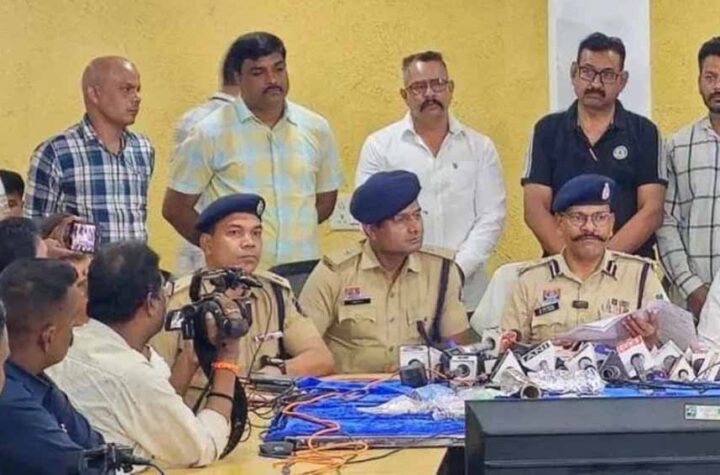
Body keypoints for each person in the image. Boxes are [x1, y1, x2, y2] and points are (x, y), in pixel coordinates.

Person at [48, 241, 244, 468]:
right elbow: (202, 448)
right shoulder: (130, 373)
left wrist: (190, 358)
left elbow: (157, 413)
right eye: (163, 292)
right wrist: (227, 361)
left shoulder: (70, 344)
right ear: (151, 303)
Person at [163, 32, 342, 270]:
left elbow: (325, 201)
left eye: (279, 69)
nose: (272, 79)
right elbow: (176, 209)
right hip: (238, 278)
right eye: (258, 72)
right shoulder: (209, 132)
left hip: (303, 273)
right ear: (238, 78)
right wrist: (218, 250)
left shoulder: (316, 128)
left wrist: (292, 231)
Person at [355, 51, 506, 311]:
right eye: (418, 87)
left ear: (451, 89)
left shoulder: (480, 148)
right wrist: (407, 270)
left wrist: (456, 272)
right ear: (404, 95)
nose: (429, 94)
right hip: (399, 292)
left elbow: (491, 217)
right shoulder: (380, 146)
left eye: (438, 84)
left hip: (467, 293)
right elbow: (368, 218)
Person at [153, 193, 334, 404]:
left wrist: (277, 371)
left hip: (264, 413)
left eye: (256, 233)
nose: (249, 243)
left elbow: (321, 359)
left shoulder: (275, 293)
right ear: (207, 244)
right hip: (200, 415)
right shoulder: (178, 300)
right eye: (234, 233)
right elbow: (157, 390)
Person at [299, 171, 475, 374]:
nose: (415, 228)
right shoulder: (335, 273)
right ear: (371, 230)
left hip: (417, 388)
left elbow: (457, 350)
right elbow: (303, 351)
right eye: (401, 219)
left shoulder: (441, 271)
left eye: (417, 216)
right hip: (348, 389)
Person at [522, 32, 666, 260]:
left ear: (622, 81)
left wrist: (603, 263)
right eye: (587, 72)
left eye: (607, 75)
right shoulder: (547, 131)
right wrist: (572, 261)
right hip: (561, 266)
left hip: (628, 266)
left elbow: (652, 210)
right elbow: (534, 208)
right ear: (573, 73)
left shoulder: (645, 132)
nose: (595, 83)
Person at [502, 174, 665, 345]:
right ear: (559, 223)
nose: (589, 227)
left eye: (600, 217)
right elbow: (507, 348)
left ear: (611, 224)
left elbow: (668, 348)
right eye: (578, 217)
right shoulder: (531, 281)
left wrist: (651, 340)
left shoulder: (639, 277)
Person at [24, 56, 154, 244]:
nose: (137, 98)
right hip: (83, 263)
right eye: (126, 89)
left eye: (138, 89)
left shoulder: (143, 149)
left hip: (135, 262)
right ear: (94, 94)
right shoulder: (56, 153)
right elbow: (34, 231)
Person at [0, 258, 103, 473]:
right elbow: (80, 468)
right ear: (48, 337)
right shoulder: (11, 403)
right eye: (72, 324)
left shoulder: (36, 381)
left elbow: (98, 449)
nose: (76, 333)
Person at [657, 37, 720, 318]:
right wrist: (691, 287)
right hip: (690, 302)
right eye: (710, 77)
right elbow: (665, 222)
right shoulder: (678, 146)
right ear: (699, 82)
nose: (717, 86)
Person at [172, 37, 245, 276]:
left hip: (197, 257)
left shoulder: (190, 120)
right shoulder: (238, 125)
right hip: (224, 265)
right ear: (240, 76)